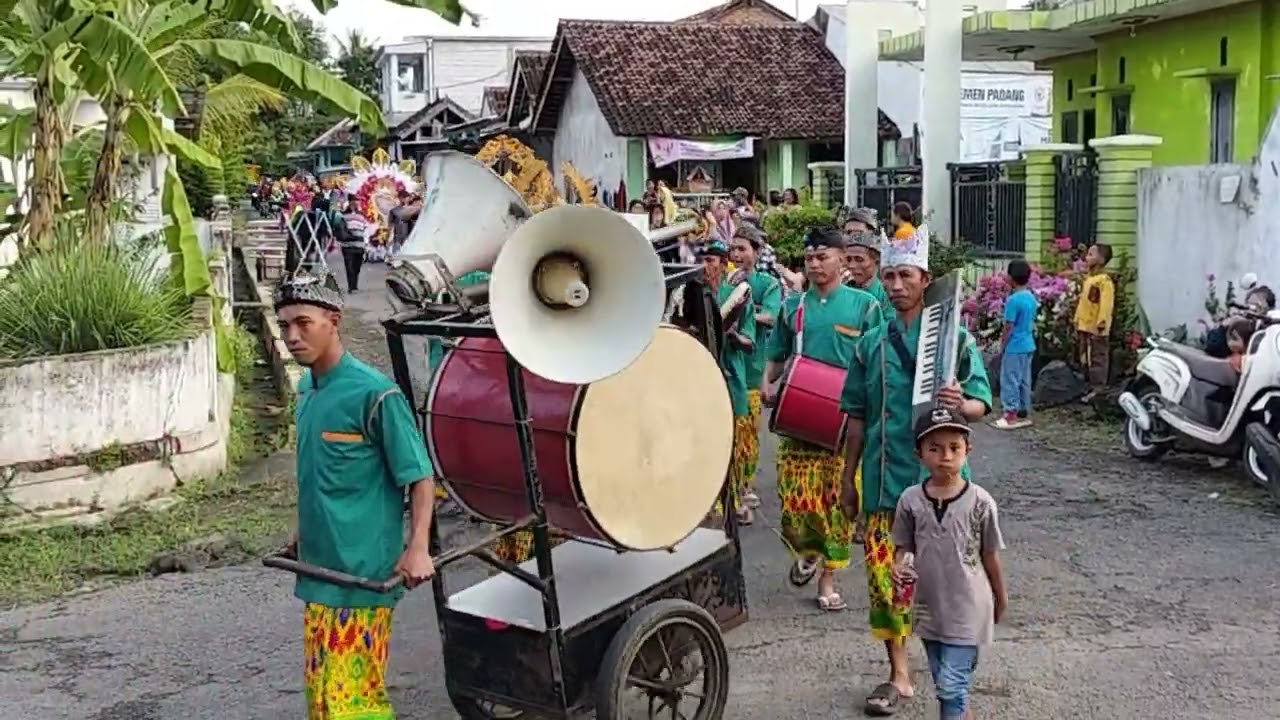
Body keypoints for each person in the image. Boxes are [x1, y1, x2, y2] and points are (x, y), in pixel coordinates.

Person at [838, 227, 992, 715]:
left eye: (905, 275)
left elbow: (982, 402)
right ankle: (899, 675)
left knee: (946, 586)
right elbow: (857, 416)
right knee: (888, 583)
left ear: (925, 279)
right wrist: (847, 478)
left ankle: (951, 660)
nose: (896, 284)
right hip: (885, 486)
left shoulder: (954, 339)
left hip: (940, 489)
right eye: (889, 275)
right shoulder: (871, 345)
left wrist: (959, 402)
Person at [274, 274, 436, 720]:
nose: (291, 336)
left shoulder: (375, 394)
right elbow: (320, 475)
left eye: (303, 323)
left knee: (354, 703)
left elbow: (421, 477)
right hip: (318, 573)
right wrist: (301, 532)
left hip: (363, 578)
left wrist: (417, 547)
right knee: (324, 700)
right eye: (284, 325)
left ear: (334, 321)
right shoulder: (307, 390)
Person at [761, 227, 883, 611]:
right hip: (800, 419)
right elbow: (778, 352)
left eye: (822, 256)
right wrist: (767, 382)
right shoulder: (792, 307)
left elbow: (876, 362)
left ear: (841, 259)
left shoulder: (865, 307)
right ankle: (807, 549)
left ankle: (827, 577)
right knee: (795, 500)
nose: (814, 264)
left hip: (847, 424)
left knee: (839, 501)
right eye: (809, 258)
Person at [891, 408, 1008, 720]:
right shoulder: (910, 500)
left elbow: (990, 554)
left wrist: (1001, 597)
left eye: (954, 448)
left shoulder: (981, 502)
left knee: (950, 687)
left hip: (969, 607)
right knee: (945, 678)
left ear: (967, 450)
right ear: (919, 454)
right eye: (934, 448)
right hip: (929, 608)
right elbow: (903, 547)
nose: (945, 456)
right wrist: (898, 567)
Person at [701, 241, 758, 524]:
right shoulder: (689, 294)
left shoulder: (736, 295)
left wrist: (732, 335)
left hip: (731, 382)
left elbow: (750, 343)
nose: (706, 265)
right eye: (703, 259)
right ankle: (705, 502)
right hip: (700, 383)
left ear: (724, 266)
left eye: (711, 260)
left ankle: (733, 500)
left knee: (731, 447)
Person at [729, 226, 783, 515]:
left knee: (747, 438)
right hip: (725, 369)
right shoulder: (721, 279)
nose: (736, 255)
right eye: (733, 249)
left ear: (757, 252)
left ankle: (742, 489)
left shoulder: (767, 284)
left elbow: (772, 316)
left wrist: (743, 311)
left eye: (743, 249)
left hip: (751, 370)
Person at [994, 259, 1038, 429]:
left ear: (1011, 277)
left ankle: (1010, 414)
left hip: (1015, 346)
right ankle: (1024, 412)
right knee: (1024, 380)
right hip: (1028, 344)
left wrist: (1002, 344)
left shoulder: (1013, 300)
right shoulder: (1030, 297)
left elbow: (1008, 326)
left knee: (1010, 379)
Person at [1074, 243, 1114, 403]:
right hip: (1084, 326)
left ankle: (1098, 389)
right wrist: (1077, 319)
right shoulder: (1090, 279)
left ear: (1101, 259)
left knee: (1098, 358)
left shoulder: (1104, 282)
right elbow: (1083, 303)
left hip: (1097, 329)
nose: (1087, 257)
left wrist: (1102, 322)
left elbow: (1106, 304)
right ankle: (1088, 385)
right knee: (1084, 357)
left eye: (1091, 254)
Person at [844, 230, 892, 317]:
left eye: (859, 259)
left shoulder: (887, 294)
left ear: (876, 261)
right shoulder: (842, 289)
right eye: (848, 259)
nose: (851, 265)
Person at [336, 201, 370, 293]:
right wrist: (366, 244)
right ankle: (352, 286)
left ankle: (353, 285)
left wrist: (366, 244)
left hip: (351, 245)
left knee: (353, 267)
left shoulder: (360, 217)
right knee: (353, 267)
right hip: (355, 245)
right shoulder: (346, 217)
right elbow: (366, 232)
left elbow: (366, 231)